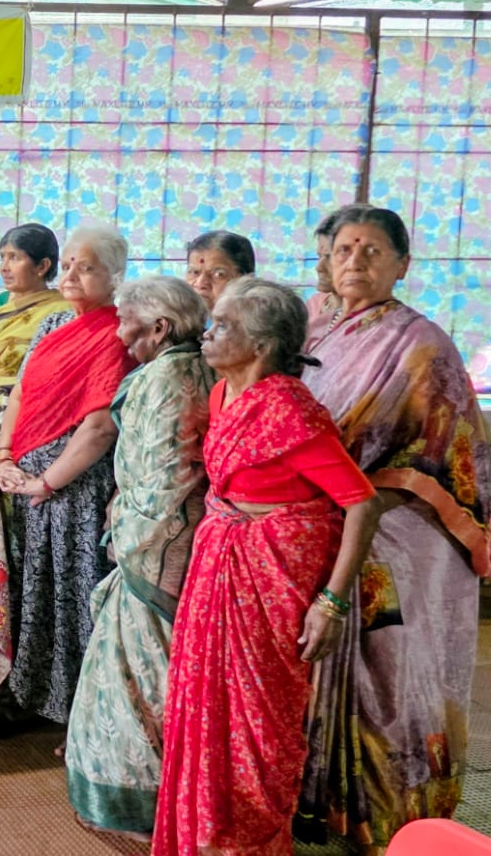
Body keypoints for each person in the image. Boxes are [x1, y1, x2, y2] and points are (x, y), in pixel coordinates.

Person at [155, 277, 380, 855]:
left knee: (259, 721)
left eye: (223, 325)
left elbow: (361, 502)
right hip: (219, 565)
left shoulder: (288, 410)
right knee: (202, 703)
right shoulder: (220, 395)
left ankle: (249, 841)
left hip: (271, 579)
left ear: (261, 346)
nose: (208, 334)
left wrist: (330, 601)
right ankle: (203, 834)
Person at [296, 205, 491, 852]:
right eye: (346, 247)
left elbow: (450, 459)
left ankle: (395, 819)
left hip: (400, 538)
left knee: (389, 679)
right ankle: (325, 803)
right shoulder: (315, 325)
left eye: (374, 250)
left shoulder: (423, 345)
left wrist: (359, 498)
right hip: (318, 524)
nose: (356, 260)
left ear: (403, 264)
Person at [63, 276, 213, 839]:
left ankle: (142, 803)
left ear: (159, 328)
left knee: (141, 679)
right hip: (177, 540)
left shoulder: (166, 379)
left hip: (155, 551)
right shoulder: (194, 368)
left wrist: (125, 536)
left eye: (128, 321)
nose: (120, 332)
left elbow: (166, 479)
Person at [0, 222, 135, 723]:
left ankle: (79, 715)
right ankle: (31, 695)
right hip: (25, 478)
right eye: (70, 263)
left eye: (88, 267)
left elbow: (99, 426)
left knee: (71, 596)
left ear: (115, 276)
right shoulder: (52, 325)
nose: (72, 274)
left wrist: (48, 480)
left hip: (72, 486)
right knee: (32, 590)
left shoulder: (119, 332)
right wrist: (4, 454)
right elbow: (21, 392)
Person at [0, 223, 71, 503]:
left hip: (23, 424)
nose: (4, 266)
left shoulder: (62, 311)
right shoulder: (0, 306)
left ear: (42, 265)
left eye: (15, 257)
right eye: (2, 257)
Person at [183, 229, 254, 311]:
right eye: (195, 272)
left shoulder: (261, 322)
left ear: (245, 279)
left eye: (218, 274)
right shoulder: (174, 320)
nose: (200, 284)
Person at [306, 210, 338, 316]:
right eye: (319, 257)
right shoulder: (314, 305)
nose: (319, 268)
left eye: (329, 258)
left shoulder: (374, 318)